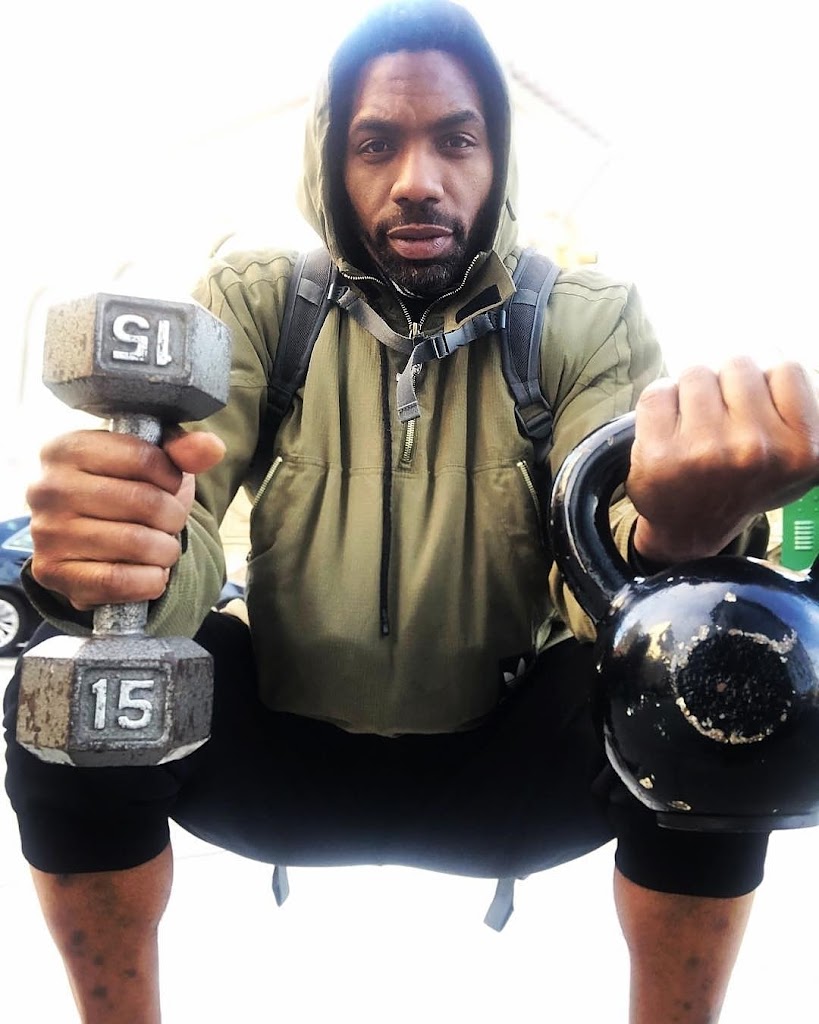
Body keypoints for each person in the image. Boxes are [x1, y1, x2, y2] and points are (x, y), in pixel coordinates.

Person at [4, 2, 819, 1021]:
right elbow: (189, 516)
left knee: (716, 686)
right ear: (330, 164)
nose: (418, 179)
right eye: (376, 143)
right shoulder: (257, 298)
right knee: (68, 697)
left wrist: (680, 537)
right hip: (279, 761)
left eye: (457, 140)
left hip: (509, 774)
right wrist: (120, 557)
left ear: (498, 156)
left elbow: (605, 563)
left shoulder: (583, 318)